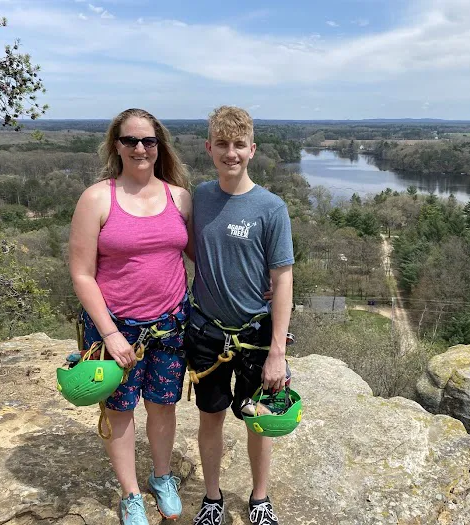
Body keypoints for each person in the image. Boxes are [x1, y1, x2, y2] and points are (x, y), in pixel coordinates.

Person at [69, 108, 192, 525]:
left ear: (159, 146)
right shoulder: (98, 198)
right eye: (130, 140)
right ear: (116, 145)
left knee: (163, 404)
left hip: (172, 324)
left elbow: (203, 258)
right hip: (116, 328)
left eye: (148, 141)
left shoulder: (179, 196)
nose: (140, 148)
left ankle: (161, 478)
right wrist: (110, 333)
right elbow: (82, 274)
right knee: (120, 409)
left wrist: (259, 283)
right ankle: (131, 494)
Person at [185, 106, 294, 525]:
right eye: (222, 145)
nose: (231, 153)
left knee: (258, 419)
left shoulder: (271, 208)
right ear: (209, 148)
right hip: (207, 331)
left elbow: (282, 278)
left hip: (255, 333)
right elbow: (193, 248)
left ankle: (259, 499)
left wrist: (278, 352)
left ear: (253, 149)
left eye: (239, 145)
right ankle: (212, 499)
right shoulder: (201, 197)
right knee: (210, 415)